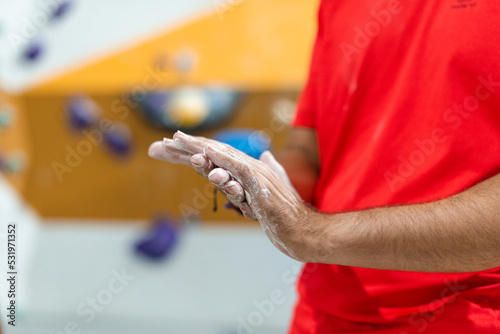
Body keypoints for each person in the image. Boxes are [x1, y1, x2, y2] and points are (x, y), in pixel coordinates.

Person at [148, 0, 500, 332]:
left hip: (471, 313)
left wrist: (310, 233)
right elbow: (308, 152)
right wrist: (266, 182)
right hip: (325, 313)